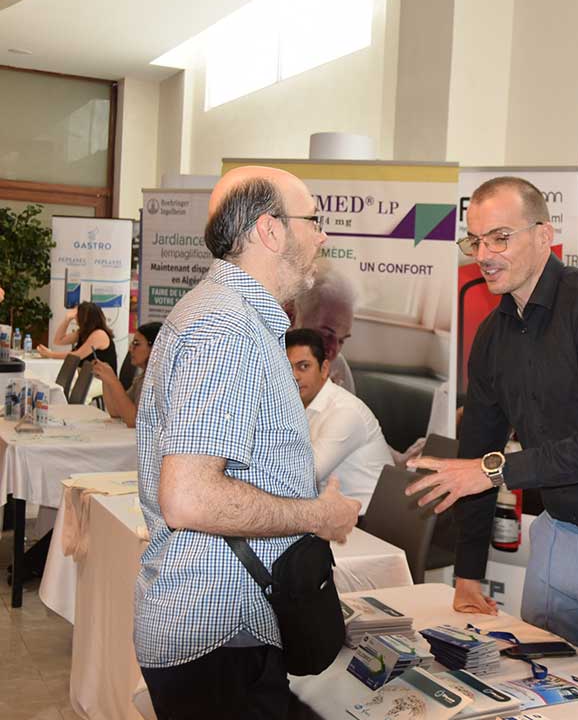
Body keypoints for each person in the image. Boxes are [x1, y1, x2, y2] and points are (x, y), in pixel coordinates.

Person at [407, 176, 578, 655]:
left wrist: (495, 470)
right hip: (557, 535)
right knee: (539, 680)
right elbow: (477, 452)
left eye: (500, 238)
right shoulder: (494, 336)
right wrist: (469, 571)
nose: (484, 255)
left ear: (544, 235)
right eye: (474, 241)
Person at [133, 166, 361, 719]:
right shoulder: (225, 329)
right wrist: (318, 516)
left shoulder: (231, 319)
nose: (322, 237)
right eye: (313, 220)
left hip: (229, 628)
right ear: (270, 230)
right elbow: (189, 498)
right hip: (220, 632)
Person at [285, 327, 395, 514]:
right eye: (287, 368)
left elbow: (306, 475)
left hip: (370, 519)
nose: (294, 376)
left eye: (304, 366)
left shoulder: (345, 411)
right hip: (330, 512)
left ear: (324, 369)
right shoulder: (293, 406)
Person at [292, 260, 356, 394]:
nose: (333, 350)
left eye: (341, 340)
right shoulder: (271, 362)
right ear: (296, 318)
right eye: (326, 335)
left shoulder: (338, 366)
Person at [92, 321, 161, 427]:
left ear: (155, 348)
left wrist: (113, 381)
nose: (130, 349)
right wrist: (106, 380)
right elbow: (116, 411)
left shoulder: (157, 381)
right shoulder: (142, 378)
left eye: (136, 344)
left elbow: (134, 420)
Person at [37, 300, 117, 370]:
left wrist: (51, 354)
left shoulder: (99, 334)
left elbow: (77, 356)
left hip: (100, 379)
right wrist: (67, 319)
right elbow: (58, 340)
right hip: (85, 376)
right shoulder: (83, 332)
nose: (75, 318)